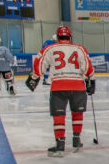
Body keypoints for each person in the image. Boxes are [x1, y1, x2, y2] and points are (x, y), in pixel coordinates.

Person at [25, 25, 94, 156]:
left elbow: (40, 63)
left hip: (58, 85)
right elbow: (87, 65)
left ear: (57, 37)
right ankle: (76, 140)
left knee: (59, 116)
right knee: (77, 113)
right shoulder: (79, 49)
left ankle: (60, 144)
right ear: (70, 36)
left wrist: (34, 77)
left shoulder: (49, 48)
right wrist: (92, 79)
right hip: (77, 85)